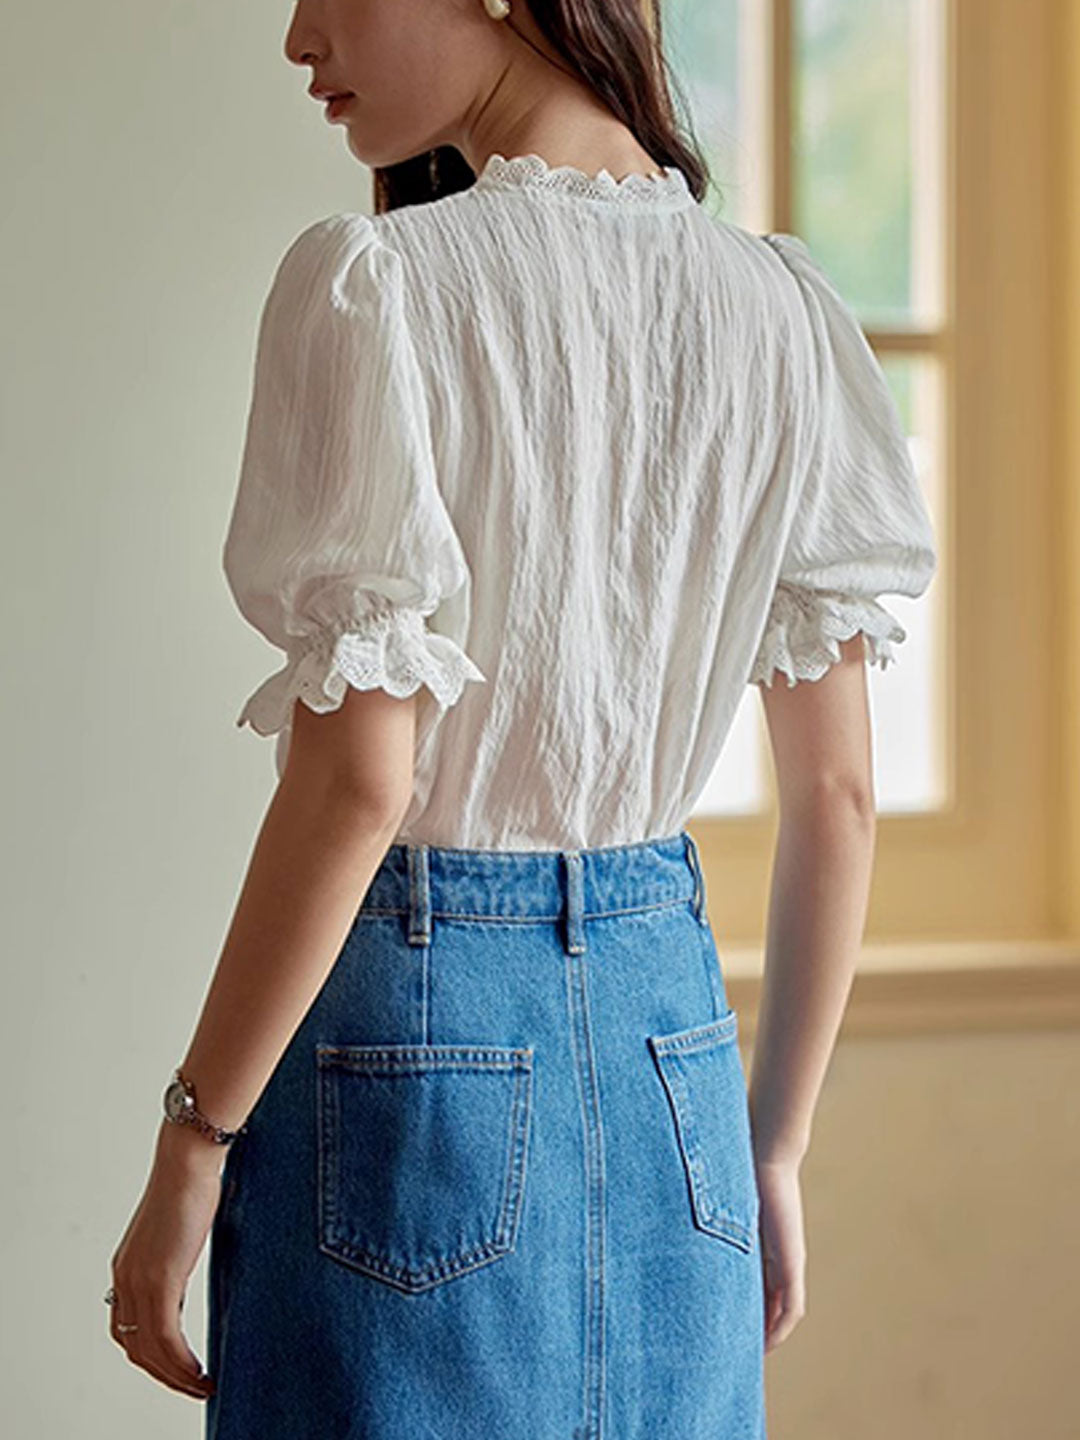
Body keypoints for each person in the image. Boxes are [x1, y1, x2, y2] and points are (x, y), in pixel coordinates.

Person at [105, 1, 938, 1436]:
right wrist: (773, 1149)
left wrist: (194, 1143)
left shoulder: (382, 288)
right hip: (676, 1054)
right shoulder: (782, 314)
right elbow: (839, 797)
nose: (299, 36)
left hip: (415, 1035)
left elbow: (359, 784)